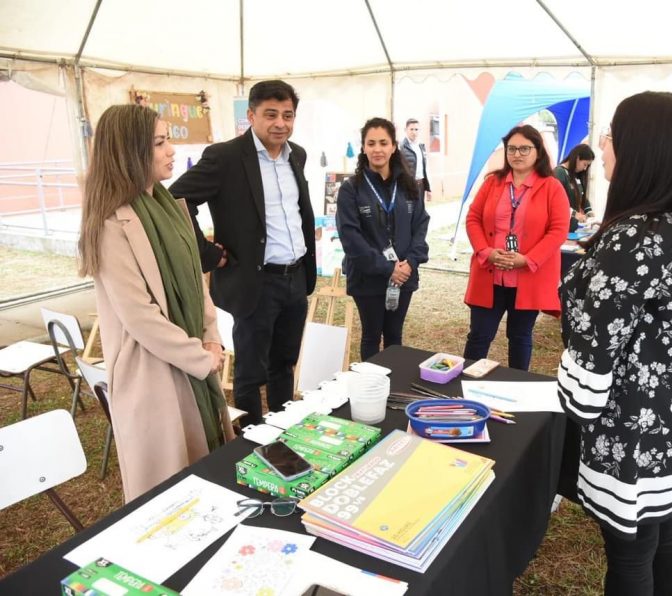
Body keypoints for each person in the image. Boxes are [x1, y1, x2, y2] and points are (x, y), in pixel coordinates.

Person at [557, 91, 672, 595]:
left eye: (611, 136)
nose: (603, 147)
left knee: (630, 551)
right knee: (662, 526)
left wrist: (568, 401)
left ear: (641, 149)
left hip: (637, 426)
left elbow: (593, 348)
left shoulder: (635, 236)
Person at [78, 105, 233, 502]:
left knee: (205, 483)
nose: (171, 150)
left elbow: (198, 283)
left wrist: (211, 337)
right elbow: (140, 316)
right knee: (169, 497)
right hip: (153, 374)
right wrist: (200, 357)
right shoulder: (109, 224)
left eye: (169, 140)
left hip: (192, 360)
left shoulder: (171, 206)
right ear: (130, 152)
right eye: (160, 143)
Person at [169, 80, 317, 426]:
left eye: (288, 115)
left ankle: (283, 427)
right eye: (270, 114)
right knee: (251, 371)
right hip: (255, 282)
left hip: (295, 277)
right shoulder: (226, 157)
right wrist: (208, 253)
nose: (280, 123)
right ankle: (251, 440)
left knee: (284, 362)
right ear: (251, 115)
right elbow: (175, 200)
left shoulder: (298, 154)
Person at [463, 124, 567, 371]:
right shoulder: (493, 183)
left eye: (524, 148)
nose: (517, 154)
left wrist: (528, 259)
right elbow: (473, 218)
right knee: (479, 335)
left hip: (527, 277)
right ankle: (464, 385)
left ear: (538, 152)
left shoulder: (552, 187)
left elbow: (558, 231)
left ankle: (518, 387)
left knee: (520, 337)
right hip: (490, 273)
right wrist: (485, 252)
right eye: (512, 149)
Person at [336, 117, 430, 360]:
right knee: (371, 335)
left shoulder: (410, 185)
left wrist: (410, 262)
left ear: (393, 146)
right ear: (363, 147)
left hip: (404, 274)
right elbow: (350, 237)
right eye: (371, 143)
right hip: (368, 278)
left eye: (383, 143)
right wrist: (387, 268)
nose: (377, 149)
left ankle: (393, 391)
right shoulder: (351, 188)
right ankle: (371, 391)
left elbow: (420, 225)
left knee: (394, 335)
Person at [554, 143, 596, 231]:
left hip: (572, 229)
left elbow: (581, 195)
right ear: (577, 158)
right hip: (560, 228)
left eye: (587, 166)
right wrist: (574, 214)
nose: (585, 168)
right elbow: (555, 201)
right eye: (585, 164)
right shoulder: (559, 173)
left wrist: (589, 212)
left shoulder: (576, 175)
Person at [399, 118, 431, 201]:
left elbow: (425, 168)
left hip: (421, 185)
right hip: (408, 187)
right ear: (406, 130)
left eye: (416, 129)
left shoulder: (421, 146)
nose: (414, 132)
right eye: (411, 129)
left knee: (420, 212)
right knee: (409, 211)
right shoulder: (401, 147)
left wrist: (428, 188)